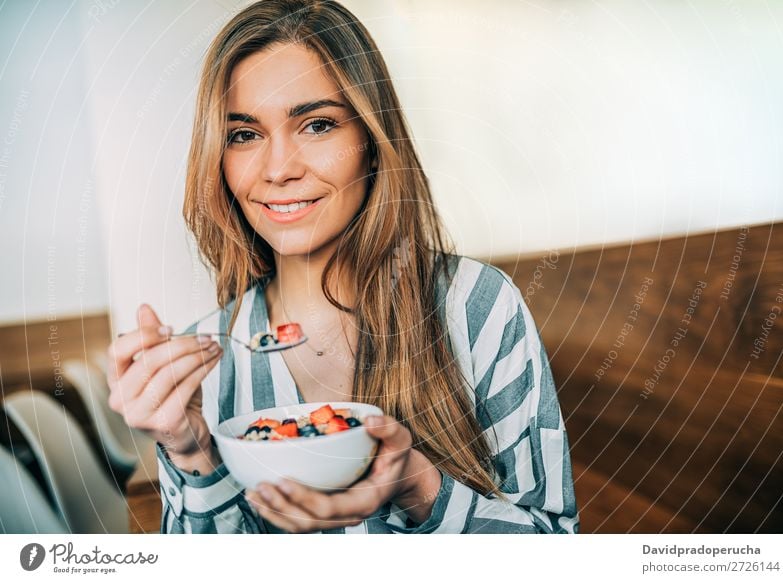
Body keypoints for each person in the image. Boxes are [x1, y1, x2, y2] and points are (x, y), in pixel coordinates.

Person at [106, 0, 579, 534]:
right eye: (244, 134)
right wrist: (192, 453)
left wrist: (418, 488)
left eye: (317, 125)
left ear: (372, 143)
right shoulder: (206, 365)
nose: (279, 169)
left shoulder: (476, 306)